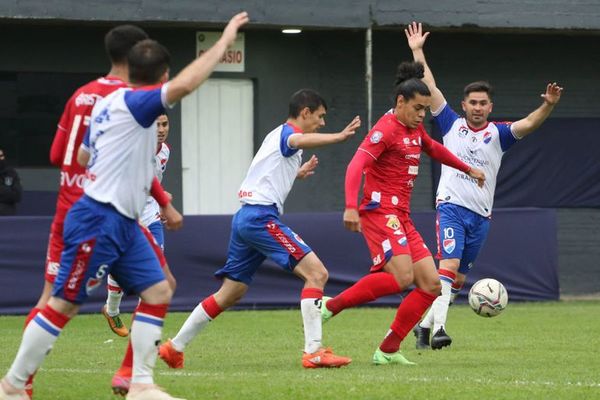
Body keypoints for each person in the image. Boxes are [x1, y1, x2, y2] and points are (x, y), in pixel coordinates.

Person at [0, 11, 249, 400]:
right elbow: (186, 85)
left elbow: (82, 157)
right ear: (162, 75)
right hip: (98, 219)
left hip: (125, 220)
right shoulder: (136, 104)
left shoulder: (106, 104)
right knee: (62, 304)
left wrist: (146, 189)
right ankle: (13, 385)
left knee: (159, 291)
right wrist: (224, 41)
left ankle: (140, 384)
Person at [157, 89, 360, 370]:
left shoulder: (277, 137)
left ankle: (174, 347)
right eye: (321, 116)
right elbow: (301, 139)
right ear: (305, 113)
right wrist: (337, 137)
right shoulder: (289, 134)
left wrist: (296, 173)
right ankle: (314, 352)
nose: (323, 123)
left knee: (231, 293)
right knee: (317, 274)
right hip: (259, 219)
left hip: (246, 218)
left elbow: (267, 170)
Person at [405, 21, 563, 350]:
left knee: (458, 279)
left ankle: (424, 325)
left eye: (483, 103)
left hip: (481, 216)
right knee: (446, 267)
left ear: (490, 107)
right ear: (464, 106)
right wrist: (418, 50)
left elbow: (530, 124)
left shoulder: (499, 134)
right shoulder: (449, 123)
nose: (477, 107)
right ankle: (439, 332)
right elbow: (429, 86)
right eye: (472, 103)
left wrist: (548, 104)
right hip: (451, 207)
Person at [319, 61, 486, 366]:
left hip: (401, 214)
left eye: (425, 109)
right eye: (418, 108)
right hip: (380, 210)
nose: (422, 114)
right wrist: (350, 206)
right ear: (400, 102)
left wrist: (467, 168)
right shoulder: (385, 130)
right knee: (400, 277)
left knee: (431, 286)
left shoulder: (413, 127)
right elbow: (355, 166)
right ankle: (332, 305)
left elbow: (433, 147)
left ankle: (388, 350)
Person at [19, 24, 149, 399]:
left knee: (51, 299)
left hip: (68, 207)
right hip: (106, 210)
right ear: (139, 52)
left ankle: (22, 383)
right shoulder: (130, 99)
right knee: (155, 288)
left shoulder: (80, 95)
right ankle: (133, 376)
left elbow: (57, 155)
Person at [102, 113, 172, 338]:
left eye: (165, 124)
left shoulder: (165, 152)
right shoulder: (132, 150)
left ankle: (141, 325)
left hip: (150, 215)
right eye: (156, 125)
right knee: (119, 266)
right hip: (127, 214)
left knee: (156, 269)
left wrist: (162, 203)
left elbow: (154, 183)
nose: (161, 129)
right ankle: (111, 310)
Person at [0, 149, 22, 216]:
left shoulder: (11, 173)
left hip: (7, 218)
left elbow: (17, 195)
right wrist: (7, 190)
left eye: (1, 156)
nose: (0, 158)